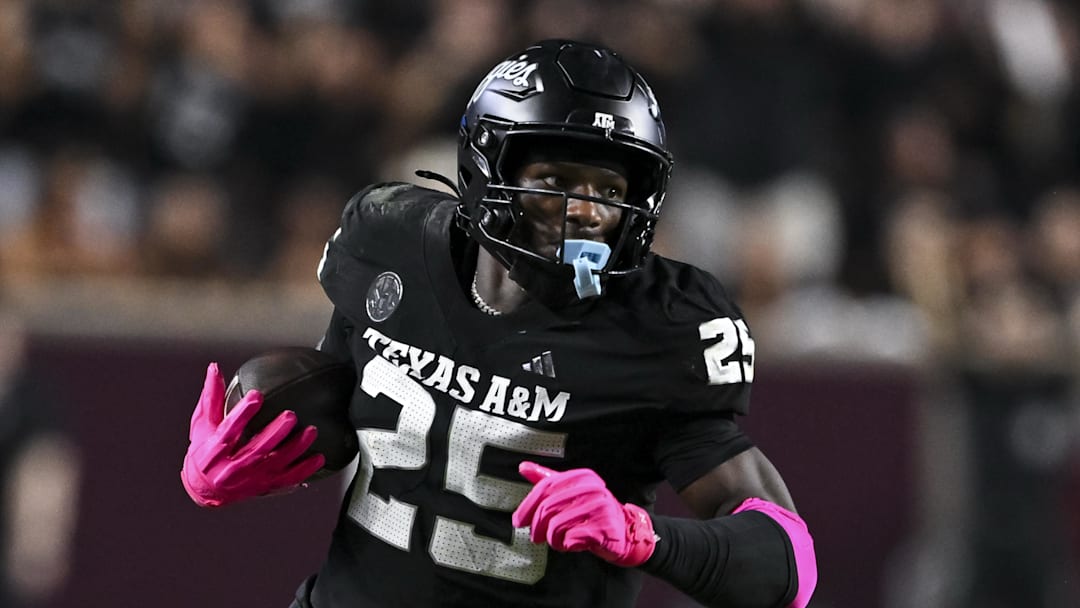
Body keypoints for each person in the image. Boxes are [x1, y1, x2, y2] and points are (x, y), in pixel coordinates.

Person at [180, 39, 817, 608]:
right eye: (555, 179)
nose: (585, 211)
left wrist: (644, 536)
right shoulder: (393, 244)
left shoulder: (660, 326)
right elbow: (344, 412)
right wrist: (244, 451)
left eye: (608, 189)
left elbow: (792, 565)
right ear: (487, 170)